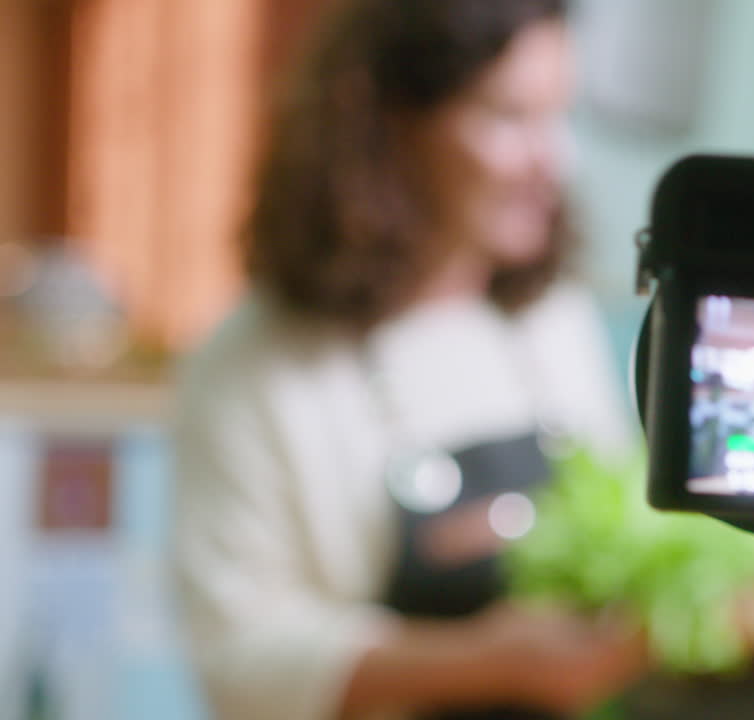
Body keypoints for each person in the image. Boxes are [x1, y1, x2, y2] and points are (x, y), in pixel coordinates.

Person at [171, 2, 647, 719]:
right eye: (509, 117)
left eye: (558, 116)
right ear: (391, 122)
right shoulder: (255, 365)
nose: (555, 159)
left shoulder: (553, 321)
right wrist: (485, 664)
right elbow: (240, 657)